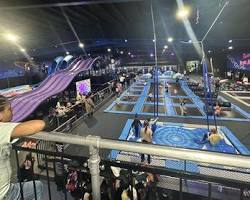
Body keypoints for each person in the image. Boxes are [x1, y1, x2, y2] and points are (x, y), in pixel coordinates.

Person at [0, 95, 45, 200]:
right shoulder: (2, 128)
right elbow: (39, 124)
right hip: (5, 194)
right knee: (37, 186)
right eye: (9, 109)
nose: (12, 111)